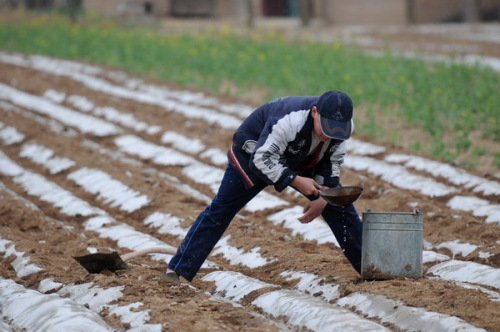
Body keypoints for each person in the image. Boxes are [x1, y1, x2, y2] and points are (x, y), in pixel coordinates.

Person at [161, 90, 362, 283]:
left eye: (337, 130)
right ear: (315, 112)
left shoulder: (342, 129)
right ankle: (178, 271)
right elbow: (261, 159)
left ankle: (369, 266)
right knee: (220, 211)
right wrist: (296, 180)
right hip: (254, 154)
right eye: (325, 128)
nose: (329, 135)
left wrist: (323, 197)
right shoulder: (289, 119)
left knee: (339, 205)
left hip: (302, 157)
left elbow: (333, 162)